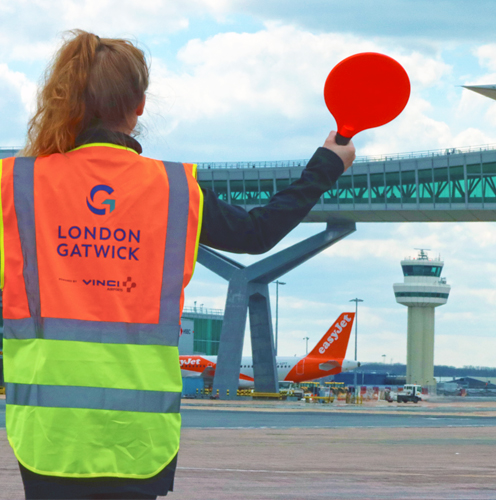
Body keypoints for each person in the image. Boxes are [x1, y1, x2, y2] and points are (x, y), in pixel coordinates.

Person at [1, 30, 355, 500]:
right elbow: (257, 233)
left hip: (49, 434)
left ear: (66, 98)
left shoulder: (16, 185)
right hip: (140, 437)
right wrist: (327, 164)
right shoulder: (174, 190)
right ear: (140, 105)